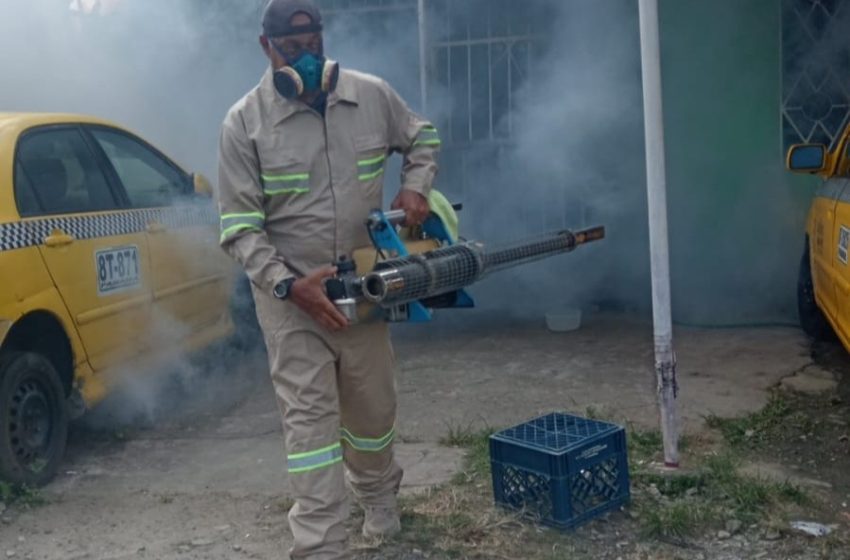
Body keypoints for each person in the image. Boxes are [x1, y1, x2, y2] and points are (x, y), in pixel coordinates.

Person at [216, 0, 440, 558]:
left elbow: (422, 136)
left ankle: (379, 495)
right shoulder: (244, 123)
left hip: (364, 286)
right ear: (265, 48)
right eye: (292, 49)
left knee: (372, 411)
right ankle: (320, 546)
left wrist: (416, 184)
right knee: (311, 428)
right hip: (291, 299)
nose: (307, 58)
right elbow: (240, 228)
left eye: (313, 42)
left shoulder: (370, 96)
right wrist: (289, 286)